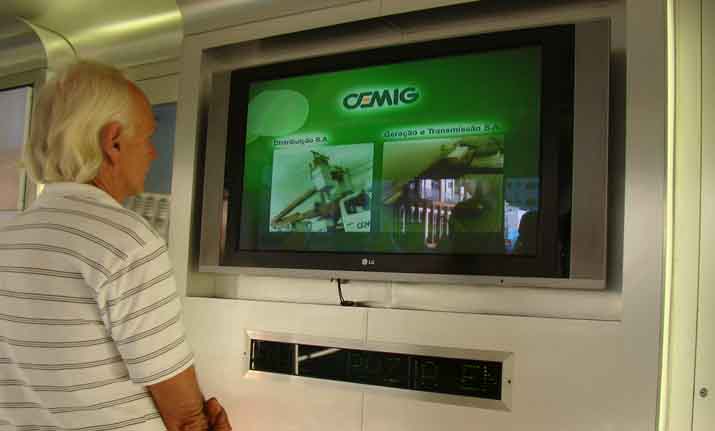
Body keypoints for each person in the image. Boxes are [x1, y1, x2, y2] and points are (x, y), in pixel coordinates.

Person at [0, 61, 231, 431]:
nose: (153, 153)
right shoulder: (127, 242)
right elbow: (185, 418)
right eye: (149, 137)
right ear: (113, 142)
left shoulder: (8, 239)